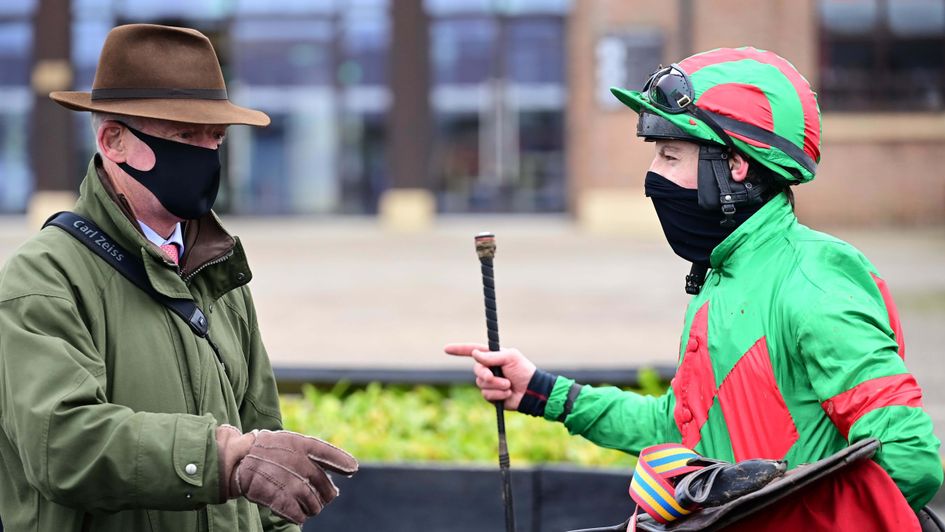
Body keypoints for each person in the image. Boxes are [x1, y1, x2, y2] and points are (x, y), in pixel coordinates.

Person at [446, 47, 942, 527]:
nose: (651, 177)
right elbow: (677, 429)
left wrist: (750, 520)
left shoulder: (814, 280)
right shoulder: (724, 274)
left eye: (669, 156)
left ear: (735, 165)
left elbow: (909, 459)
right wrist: (541, 391)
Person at [0, 24, 357, 531]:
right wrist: (222, 459)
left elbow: (264, 445)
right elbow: (61, 445)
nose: (207, 154)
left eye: (216, 137)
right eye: (185, 136)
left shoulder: (217, 270)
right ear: (113, 140)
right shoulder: (45, 276)